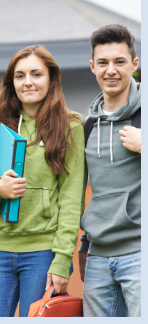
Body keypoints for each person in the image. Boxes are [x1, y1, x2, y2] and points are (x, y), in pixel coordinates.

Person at [0, 45, 86, 317]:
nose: (28, 82)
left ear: (51, 79)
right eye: (20, 75)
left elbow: (71, 200)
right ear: (11, 82)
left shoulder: (70, 126)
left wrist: (62, 260)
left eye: (36, 74)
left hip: (43, 252)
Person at [78, 24, 141, 317]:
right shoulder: (87, 126)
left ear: (135, 64)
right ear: (93, 67)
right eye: (103, 62)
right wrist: (83, 246)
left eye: (119, 61)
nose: (111, 70)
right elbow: (86, 194)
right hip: (98, 259)